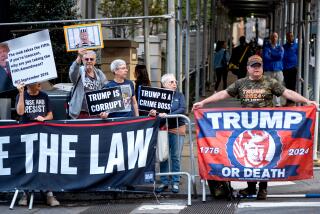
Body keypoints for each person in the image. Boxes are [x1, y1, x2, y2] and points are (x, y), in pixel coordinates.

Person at [193, 55, 317, 200]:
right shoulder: (240, 83)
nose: (256, 69)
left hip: (267, 129)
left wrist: (306, 101)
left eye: (259, 66)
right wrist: (204, 103)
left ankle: (263, 189)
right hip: (247, 130)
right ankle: (251, 187)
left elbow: (287, 93)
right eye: (254, 66)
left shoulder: (270, 82)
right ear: (248, 68)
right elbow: (223, 94)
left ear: (262, 67)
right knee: (248, 157)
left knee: (266, 157)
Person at [15, 82, 60, 207]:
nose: (40, 84)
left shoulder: (44, 95)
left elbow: (51, 115)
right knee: (27, 163)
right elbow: (20, 112)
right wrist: (21, 93)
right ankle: (25, 193)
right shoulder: (22, 95)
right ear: (29, 85)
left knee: (45, 163)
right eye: (36, 83)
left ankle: (49, 194)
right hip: (27, 134)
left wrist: (44, 118)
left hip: (42, 134)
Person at [155, 73, 186, 194]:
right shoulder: (160, 97)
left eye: (175, 82)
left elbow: (182, 109)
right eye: (171, 82)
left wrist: (167, 114)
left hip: (178, 128)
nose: (174, 84)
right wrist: (156, 113)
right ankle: (164, 181)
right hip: (163, 129)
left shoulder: (179, 95)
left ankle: (176, 182)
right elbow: (156, 110)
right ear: (164, 85)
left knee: (175, 156)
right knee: (163, 156)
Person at [68, 49, 108, 119]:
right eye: (86, 59)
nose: (89, 61)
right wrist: (79, 57)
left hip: (96, 113)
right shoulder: (80, 71)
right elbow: (73, 73)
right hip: (80, 113)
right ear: (83, 60)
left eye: (91, 59)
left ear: (95, 61)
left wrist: (105, 111)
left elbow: (106, 91)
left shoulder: (99, 73)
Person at [262, 32, 284, 107]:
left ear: (277, 38)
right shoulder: (266, 47)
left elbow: (280, 57)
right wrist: (275, 56)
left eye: (275, 37)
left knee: (278, 87)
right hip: (268, 71)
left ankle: (277, 103)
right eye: (273, 37)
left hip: (278, 71)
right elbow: (265, 57)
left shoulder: (280, 48)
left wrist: (271, 54)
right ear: (270, 39)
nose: (274, 38)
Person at [283, 32, 298, 106]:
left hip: (293, 68)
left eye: (291, 36)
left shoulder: (296, 46)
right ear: (286, 37)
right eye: (288, 36)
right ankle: (288, 101)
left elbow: (300, 55)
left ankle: (292, 101)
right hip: (285, 69)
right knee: (287, 85)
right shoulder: (284, 46)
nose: (290, 37)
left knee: (293, 85)